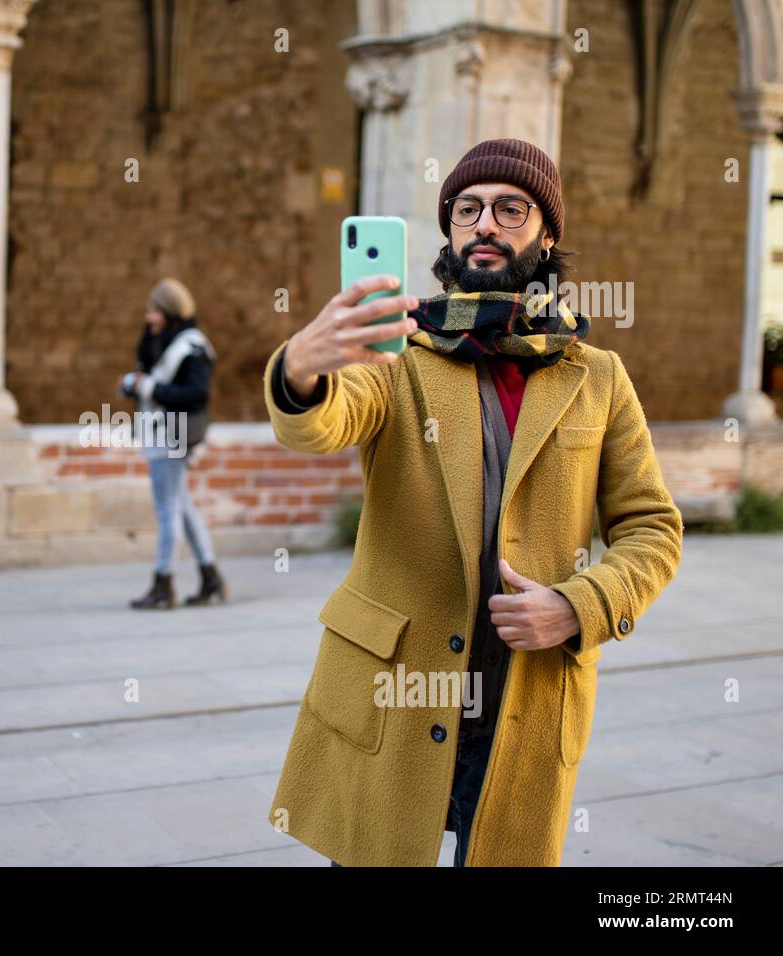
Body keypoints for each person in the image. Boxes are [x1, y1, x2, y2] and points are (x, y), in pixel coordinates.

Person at [265, 139, 682, 866]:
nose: (484, 224)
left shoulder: (599, 377)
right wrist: (302, 369)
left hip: (526, 699)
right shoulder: (399, 355)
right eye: (467, 209)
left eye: (509, 208)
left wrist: (579, 607)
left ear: (547, 234)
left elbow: (653, 528)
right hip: (398, 696)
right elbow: (328, 420)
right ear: (450, 230)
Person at [123, 278, 227, 609]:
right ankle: (211, 579)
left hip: (173, 434)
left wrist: (148, 387)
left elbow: (197, 394)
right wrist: (135, 385)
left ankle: (163, 585)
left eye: (153, 310)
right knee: (181, 508)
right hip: (162, 433)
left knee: (168, 511)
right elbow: (152, 377)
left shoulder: (191, 346)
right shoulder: (164, 341)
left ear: (168, 311)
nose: (148, 317)